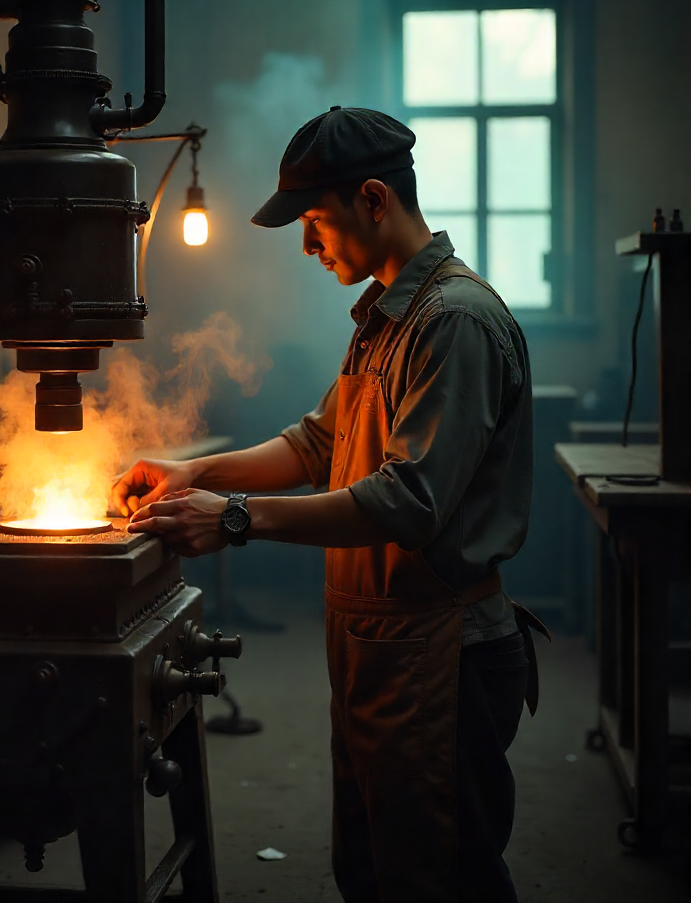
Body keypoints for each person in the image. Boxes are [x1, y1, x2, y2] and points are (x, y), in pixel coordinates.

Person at [113, 106, 546, 903]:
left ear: (374, 200)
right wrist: (192, 474)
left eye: (316, 221)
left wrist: (235, 517)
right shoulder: (385, 317)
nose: (308, 245)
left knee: (442, 878)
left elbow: (408, 501)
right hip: (379, 646)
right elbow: (316, 445)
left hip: (440, 652)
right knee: (375, 871)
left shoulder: (452, 323)